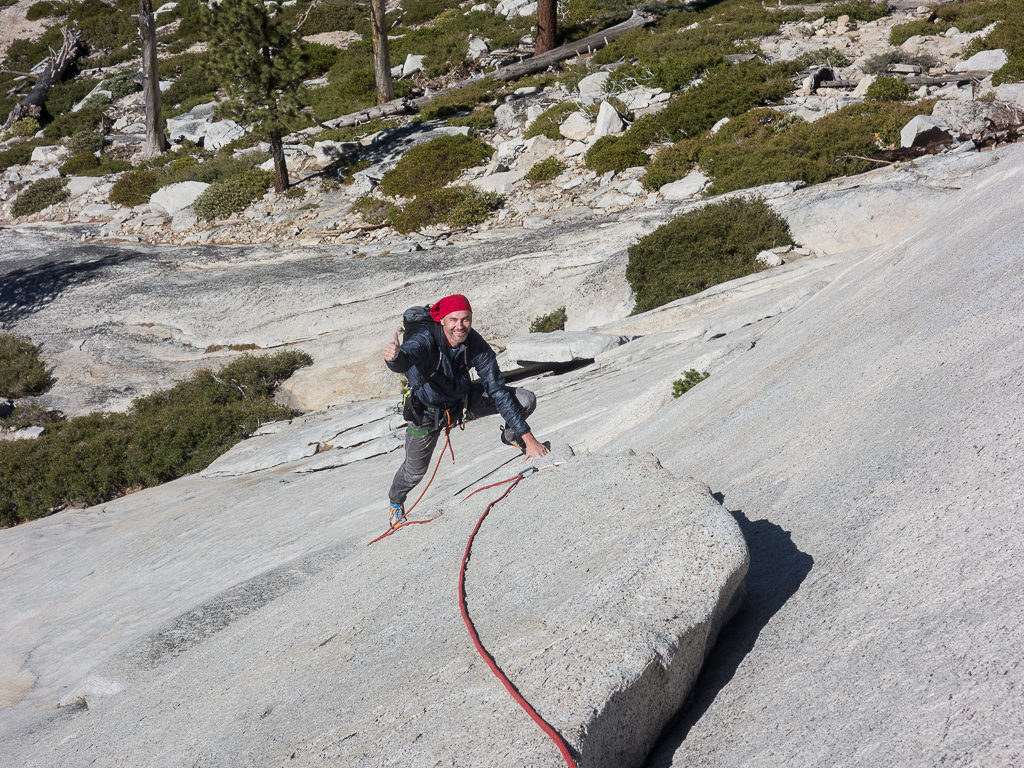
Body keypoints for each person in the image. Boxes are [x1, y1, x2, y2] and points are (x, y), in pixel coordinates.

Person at [384, 294, 548, 528]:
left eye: (465, 319)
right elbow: (406, 357)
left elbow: (497, 390)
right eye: (453, 320)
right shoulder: (425, 339)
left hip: (461, 404)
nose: (460, 326)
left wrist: (528, 438)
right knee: (414, 473)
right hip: (427, 415)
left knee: (525, 399)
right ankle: (395, 502)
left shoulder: (475, 344)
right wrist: (394, 359)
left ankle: (511, 437)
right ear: (442, 320)